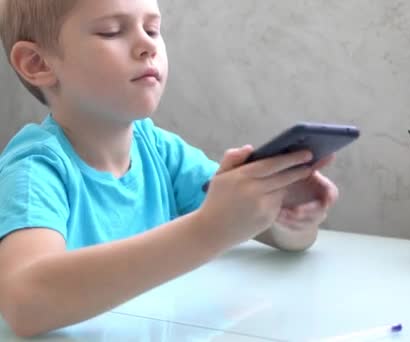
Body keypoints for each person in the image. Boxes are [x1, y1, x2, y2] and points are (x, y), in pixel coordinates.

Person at [0, 0, 338, 337]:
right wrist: (207, 231)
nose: (148, 45)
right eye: (111, 31)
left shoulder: (158, 149)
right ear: (37, 62)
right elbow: (26, 303)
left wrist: (290, 215)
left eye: (152, 29)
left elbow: (248, 226)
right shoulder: (35, 170)